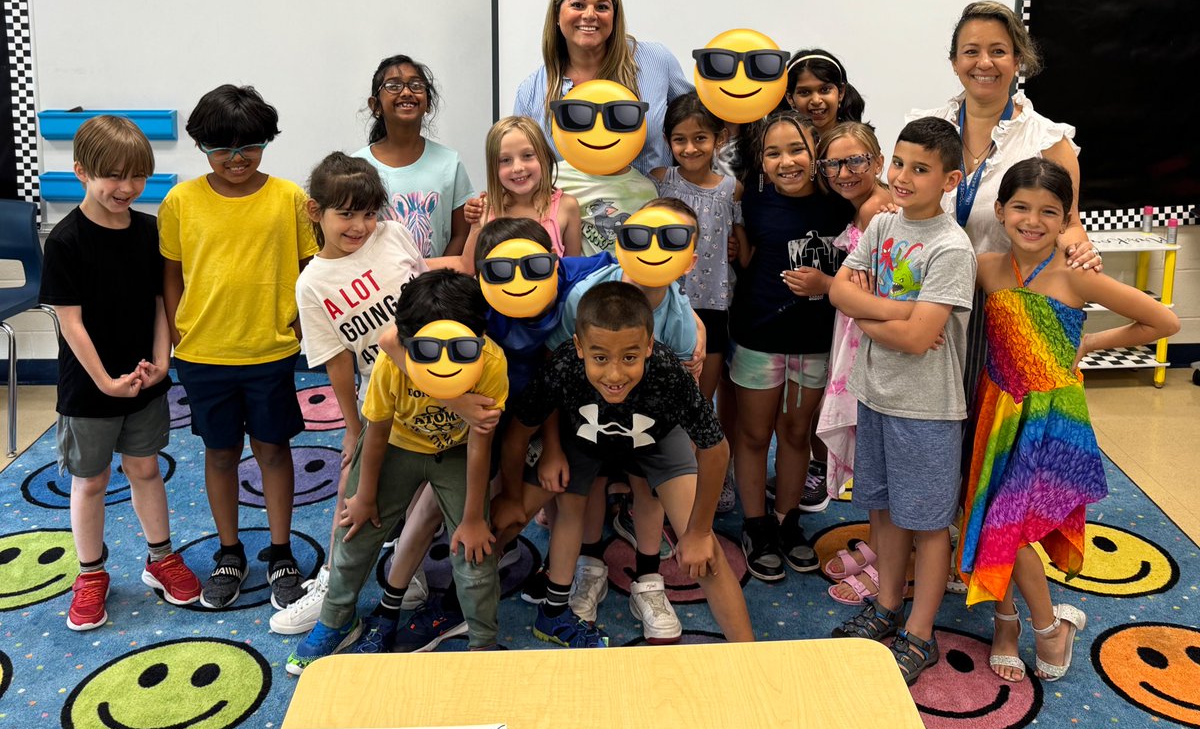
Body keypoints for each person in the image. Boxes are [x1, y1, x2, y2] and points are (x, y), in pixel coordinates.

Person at [958, 158, 1178, 682]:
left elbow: (1163, 319)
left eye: (1048, 213)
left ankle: (1044, 626)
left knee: (1008, 526)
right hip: (997, 407)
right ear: (1000, 210)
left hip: (1050, 418)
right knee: (990, 515)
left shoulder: (1077, 277)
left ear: (1065, 222)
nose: (1032, 221)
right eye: (1021, 208)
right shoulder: (986, 266)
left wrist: (1093, 341)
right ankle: (1007, 619)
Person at [276, 152, 496, 640]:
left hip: (447, 377)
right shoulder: (312, 283)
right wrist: (351, 428)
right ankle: (334, 594)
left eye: (369, 212)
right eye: (347, 214)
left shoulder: (392, 236)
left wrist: (454, 396)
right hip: (386, 401)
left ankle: (407, 576)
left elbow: (420, 307)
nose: (360, 225)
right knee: (356, 495)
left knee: (429, 491)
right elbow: (336, 359)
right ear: (317, 212)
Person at [496, 282, 753, 647]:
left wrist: (697, 531)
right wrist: (508, 496)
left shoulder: (667, 372)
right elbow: (518, 433)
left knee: (707, 552)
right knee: (505, 518)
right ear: (579, 347)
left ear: (649, 346)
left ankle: (751, 657)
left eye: (630, 358)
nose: (615, 375)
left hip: (657, 440)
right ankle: (457, 610)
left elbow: (716, 449)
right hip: (584, 439)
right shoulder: (565, 364)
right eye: (600, 358)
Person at [287, 270, 509, 672]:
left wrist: (474, 517)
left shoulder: (491, 363)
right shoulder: (392, 366)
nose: (444, 363)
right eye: (427, 351)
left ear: (478, 340)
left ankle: (483, 642)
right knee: (353, 532)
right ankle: (336, 620)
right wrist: (365, 494)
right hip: (396, 445)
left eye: (460, 350)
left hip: (458, 452)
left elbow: (481, 443)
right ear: (407, 345)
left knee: (475, 550)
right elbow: (377, 432)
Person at [827, 116, 976, 686]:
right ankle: (887, 604)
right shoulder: (883, 225)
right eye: (898, 163)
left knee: (929, 523)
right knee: (884, 509)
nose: (903, 177)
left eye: (920, 168)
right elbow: (841, 291)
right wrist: (889, 312)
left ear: (950, 178)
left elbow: (920, 341)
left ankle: (920, 631)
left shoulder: (951, 247)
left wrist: (868, 313)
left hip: (927, 409)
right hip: (876, 394)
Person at [160, 84, 319, 610]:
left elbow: (307, 270)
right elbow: (173, 274)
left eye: (249, 145)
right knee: (220, 452)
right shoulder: (180, 201)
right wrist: (177, 329)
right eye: (221, 146)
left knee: (274, 450)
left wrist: (299, 324)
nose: (236, 158)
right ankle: (229, 550)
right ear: (201, 144)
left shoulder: (290, 198)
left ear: (267, 142)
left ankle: (280, 550)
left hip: (269, 352)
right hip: (203, 354)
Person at [40, 115, 200, 630]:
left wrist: (162, 361)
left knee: (146, 468)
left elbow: (159, 303)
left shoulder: (150, 231)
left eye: (138, 177)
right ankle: (89, 574)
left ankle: (161, 556)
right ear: (82, 172)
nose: (127, 188)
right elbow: (71, 323)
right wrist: (105, 381)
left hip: (144, 380)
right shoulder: (65, 241)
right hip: (89, 389)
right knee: (90, 481)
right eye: (113, 176)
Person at [908, 0, 1100, 396]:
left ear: (1018, 60)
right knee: (932, 429)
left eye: (998, 51)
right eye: (971, 51)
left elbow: (1068, 223)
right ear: (954, 61)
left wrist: (1082, 252)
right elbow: (902, 200)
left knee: (992, 426)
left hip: (1006, 305)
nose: (984, 63)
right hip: (929, 302)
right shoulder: (927, 129)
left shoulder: (1047, 140)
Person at [728, 113, 853, 583]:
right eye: (773, 153)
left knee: (798, 434)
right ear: (760, 161)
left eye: (797, 150)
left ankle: (787, 521)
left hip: (816, 342)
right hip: (760, 335)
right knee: (755, 434)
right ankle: (756, 525)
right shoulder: (752, 198)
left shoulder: (838, 200)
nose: (786, 161)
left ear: (816, 152)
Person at [513, 0, 691, 176]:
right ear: (556, 16)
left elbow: (700, 125)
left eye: (602, 7)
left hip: (655, 205)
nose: (589, 15)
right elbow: (519, 169)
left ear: (615, 17)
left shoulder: (656, 61)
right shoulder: (531, 92)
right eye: (578, 5)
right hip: (570, 209)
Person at [810, 125, 892, 586]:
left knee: (878, 451)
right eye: (834, 164)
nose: (844, 172)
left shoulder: (879, 206)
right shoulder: (863, 207)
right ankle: (882, 546)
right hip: (860, 331)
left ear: (877, 162)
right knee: (872, 455)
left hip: (873, 337)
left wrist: (829, 287)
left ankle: (889, 560)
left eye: (855, 161)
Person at [649, 93, 745, 402]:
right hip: (665, 299)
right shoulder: (660, 181)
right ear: (667, 140)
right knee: (661, 393)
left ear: (720, 138)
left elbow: (742, 248)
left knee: (702, 400)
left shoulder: (731, 189)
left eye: (700, 138)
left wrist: (732, 246)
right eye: (680, 140)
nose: (690, 148)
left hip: (714, 304)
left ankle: (700, 451)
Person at [355, 54, 473, 256]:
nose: (407, 92)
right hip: (380, 284)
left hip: (436, 285)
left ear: (427, 103)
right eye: (394, 86)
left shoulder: (449, 163)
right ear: (375, 105)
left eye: (416, 85)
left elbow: (461, 235)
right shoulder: (358, 167)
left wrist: (435, 279)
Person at [466, 115, 582, 256]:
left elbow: (574, 270)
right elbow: (468, 266)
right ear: (493, 168)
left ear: (544, 157)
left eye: (527, 155)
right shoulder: (483, 209)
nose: (517, 167)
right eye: (505, 160)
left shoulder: (567, 207)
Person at [781, 49, 866, 139]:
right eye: (804, 92)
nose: (816, 101)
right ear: (790, 97)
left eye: (825, 90)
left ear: (841, 92)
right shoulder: (782, 143)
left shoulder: (858, 141)